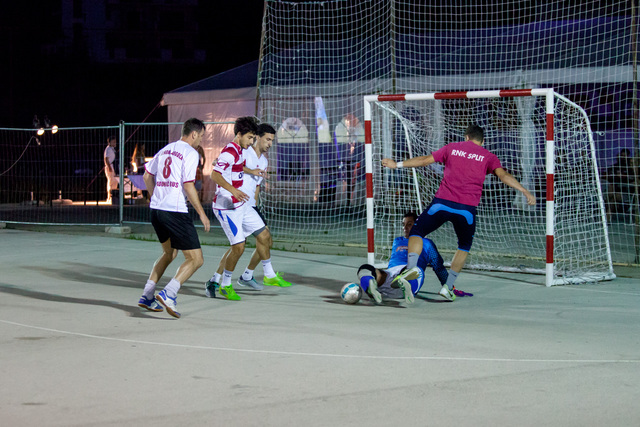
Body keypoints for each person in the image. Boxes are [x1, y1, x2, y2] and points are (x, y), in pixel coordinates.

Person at [382, 124, 536, 301]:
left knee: (417, 232)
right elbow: (503, 176)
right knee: (464, 246)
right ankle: (447, 287)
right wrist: (524, 191)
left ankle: (410, 269)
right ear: (482, 141)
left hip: (442, 204)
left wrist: (396, 164)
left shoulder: (452, 148)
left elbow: (424, 160)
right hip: (466, 210)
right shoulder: (488, 156)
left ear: (466, 137)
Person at [207, 118, 291, 301]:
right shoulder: (239, 151)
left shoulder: (248, 154)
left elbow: (252, 182)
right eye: (266, 139)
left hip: (245, 204)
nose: (269, 144)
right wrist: (235, 188)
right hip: (229, 204)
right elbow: (216, 169)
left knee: (263, 237)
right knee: (238, 247)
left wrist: (252, 197)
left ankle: (260, 275)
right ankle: (223, 282)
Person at [136, 118, 211, 318]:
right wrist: (202, 213)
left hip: (156, 211)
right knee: (196, 259)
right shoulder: (191, 153)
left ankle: (147, 295)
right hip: (174, 211)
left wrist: (155, 197)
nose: (201, 140)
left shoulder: (165, 150)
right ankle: (169, 293)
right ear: (194, 134)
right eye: (201, 136)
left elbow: (146, 176)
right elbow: (188, 185)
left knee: (169, 253)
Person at [356, 211, 448, 304]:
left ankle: (405, 285)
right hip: (390, 276)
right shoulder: (397, 240)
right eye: (403, 225)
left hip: (411, 274)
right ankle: (371, 285)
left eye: (409, 224)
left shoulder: (427, 243)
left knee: (414, 271)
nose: (405, 228)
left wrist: (448, 286)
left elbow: (438, 267)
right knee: (366, 268)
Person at [104, 135, 119, 204]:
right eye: (113, 142)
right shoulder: (108, 149)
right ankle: (109, 197)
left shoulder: (112, 149)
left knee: (114, 181)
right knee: (111, 181)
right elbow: (106, 159)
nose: (115, 143)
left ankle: (113, 196)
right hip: (110, 166)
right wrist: (109, 167)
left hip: (113, 166)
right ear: (109, 142)